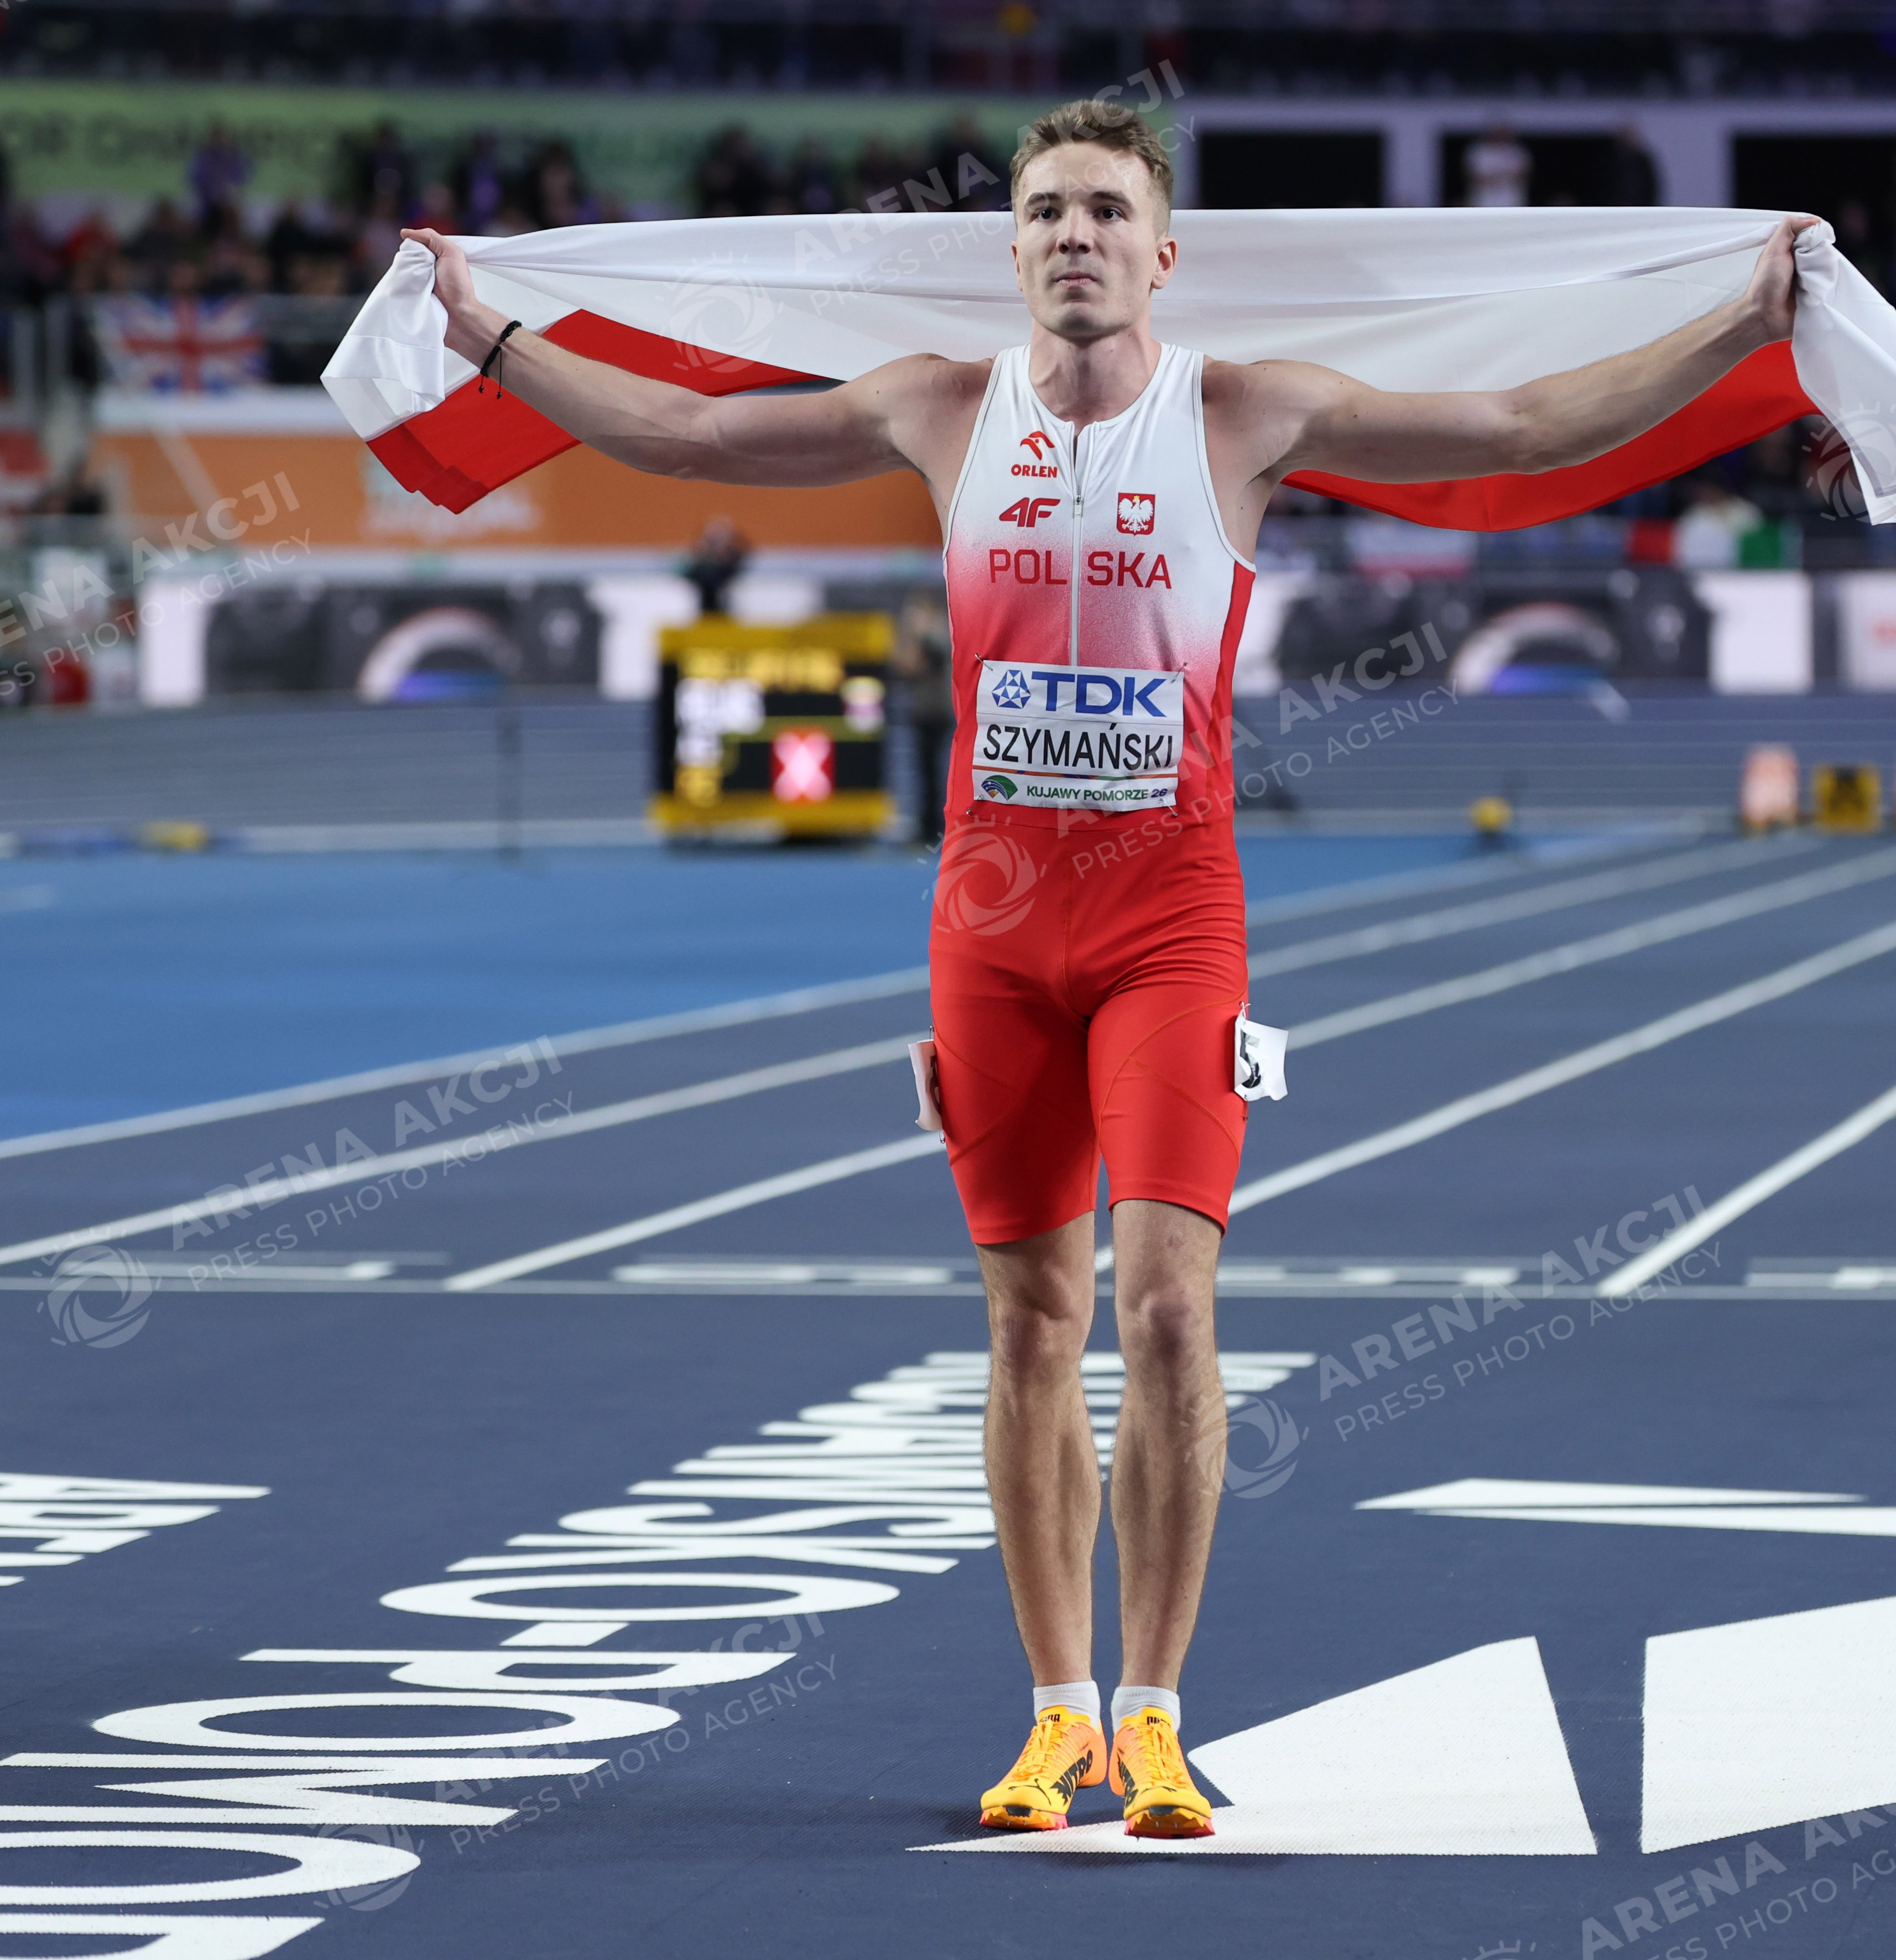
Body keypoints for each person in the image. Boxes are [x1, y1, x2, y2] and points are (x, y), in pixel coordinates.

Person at [400, 96, 1815, 1841]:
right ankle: (1051, 1718)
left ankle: (1154, 1716)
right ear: (1011, 251)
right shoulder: (936, 406)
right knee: (1027, 1320)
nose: (1074, 235)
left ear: (1162, 252)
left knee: (1164, 1305)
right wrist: (485, 331)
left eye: (1104, 211)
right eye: (1047, 211)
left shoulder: (1241, 410)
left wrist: (1742, 323)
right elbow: (686, 435)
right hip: (992, 930)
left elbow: (1523, 425)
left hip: (1168, 917)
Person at [892, 587, 956, 845]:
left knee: (941, 770)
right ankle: (927, 825)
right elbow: (905, 666)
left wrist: (924, 633)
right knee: (924, 772)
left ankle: (941, 824)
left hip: (940, 710)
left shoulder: (941, 632)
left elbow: (940, 654)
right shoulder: (911, 638)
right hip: (921, 711)